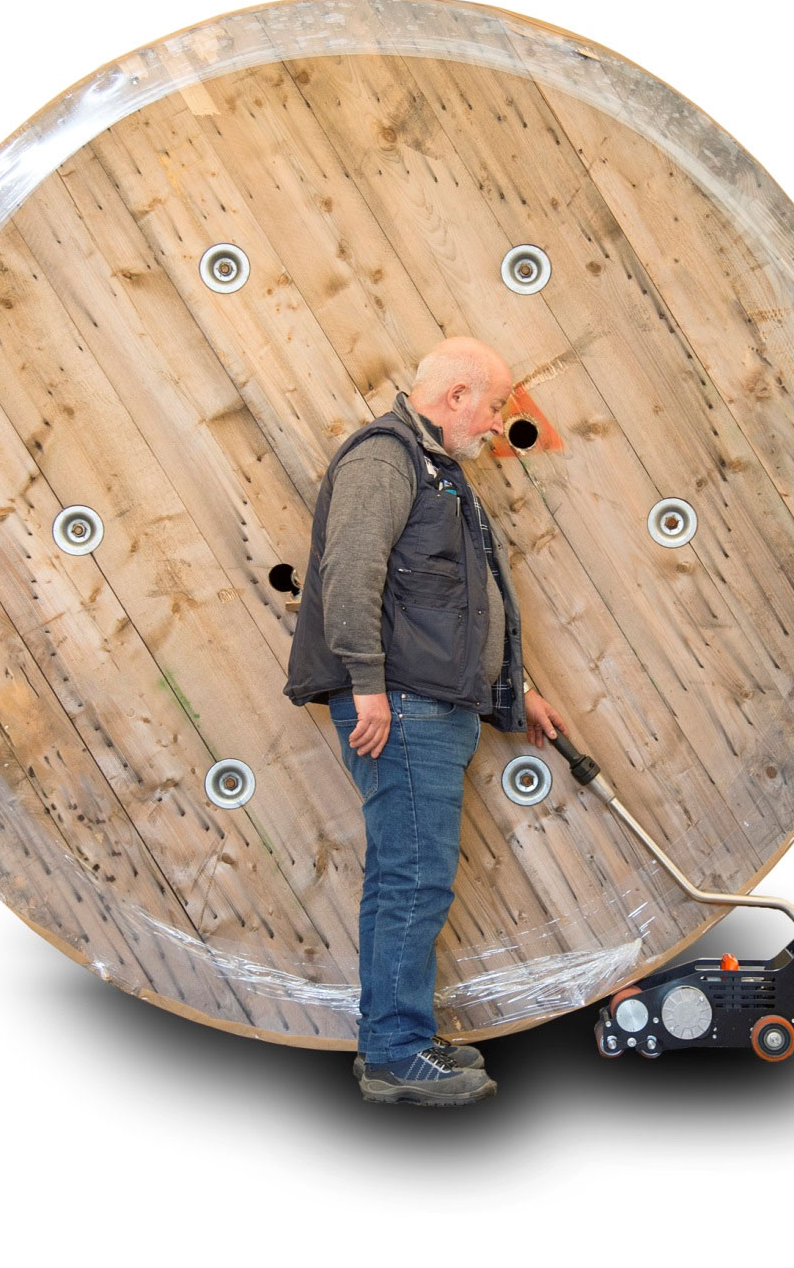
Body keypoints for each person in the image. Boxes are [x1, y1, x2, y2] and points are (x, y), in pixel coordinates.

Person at [285, 337, 567, 1105]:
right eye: (496, 404)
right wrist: (368, 685)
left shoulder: (442, 471)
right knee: (415, 879)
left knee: (405, 876)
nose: (498, 421)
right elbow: (350, 570)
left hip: (426, 703)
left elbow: (462, 603)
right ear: (456, 396)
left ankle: (394, 1039)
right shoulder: (387, 458)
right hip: (402, 706)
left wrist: (519, 688)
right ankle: (397, 1053)